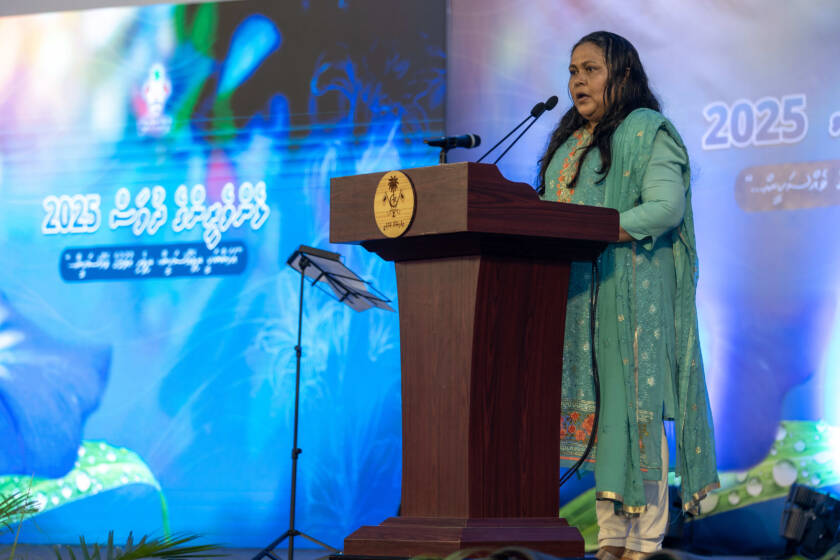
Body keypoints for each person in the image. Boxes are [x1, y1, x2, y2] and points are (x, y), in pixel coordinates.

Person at [537, 31, 719, 560]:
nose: (578, 81)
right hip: (579, 299)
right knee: (603, 414)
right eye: (573, 71)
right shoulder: (569, 143)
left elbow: (665, 208)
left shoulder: (647, 131)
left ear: (623, 75)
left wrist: (598, 229)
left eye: (590, 69)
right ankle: (612, 539)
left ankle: (645, 541)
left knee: (634, 408)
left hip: (634, 297)